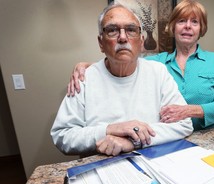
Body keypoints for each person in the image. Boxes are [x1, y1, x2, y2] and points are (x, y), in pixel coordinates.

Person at [51, 3, 193, 156]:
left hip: (151, 163)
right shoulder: (84, 78)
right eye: (112, 30)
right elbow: (62, 135)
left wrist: (133, 141)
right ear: (101, 43)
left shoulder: (158, 72)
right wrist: (109, 129)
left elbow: (184, 124)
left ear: (141, 41)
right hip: (102, 166)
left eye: (131, 30)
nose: (123, 37)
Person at [67, 0, 214, 131]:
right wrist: (87, 66)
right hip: (172, 138)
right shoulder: (157, 63)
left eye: (194, 22)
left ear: (201, 28)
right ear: (173, 27)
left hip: (209, 136)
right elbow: (124, 61)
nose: (188, 26)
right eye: (182, 21)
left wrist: (187, 111)